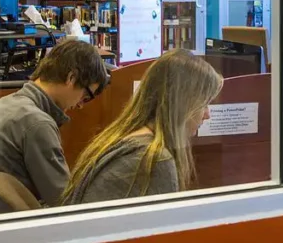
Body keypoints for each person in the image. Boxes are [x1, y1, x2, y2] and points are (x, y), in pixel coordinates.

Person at [60, 50, 222, 204]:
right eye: (204, 104)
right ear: (184, 104)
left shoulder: (123, 137)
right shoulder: (154, 158)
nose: (207, 114)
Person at [0, 39, 110, 205]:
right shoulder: (37, 124)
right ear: (71, 78)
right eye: (86, 97)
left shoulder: (2, 105)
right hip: (21, 221)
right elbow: (65, 202)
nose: (80, 105)